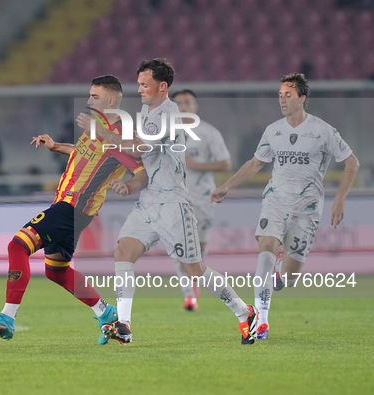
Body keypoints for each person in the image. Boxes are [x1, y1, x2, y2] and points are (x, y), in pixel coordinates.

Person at [0, 75, 147, 345]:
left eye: (95, 96)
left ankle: (7, 318)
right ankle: (106, 313)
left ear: (111, 100)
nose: (89, 100)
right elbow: (84, 153)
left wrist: (127, 183)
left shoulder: (121, 130)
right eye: (89, 95)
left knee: (17, 246)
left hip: (73, 206)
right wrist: (56, 147)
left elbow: (140, 154)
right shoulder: (97, 127)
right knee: (57, 270)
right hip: (71, 208)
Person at [96, 59, 258, 345]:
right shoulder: (147, 110)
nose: (139, 89)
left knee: (194, 269)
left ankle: (245, 312)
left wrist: (108, 138)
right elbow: (145, 163)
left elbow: (142, 148)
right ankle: (124, 324)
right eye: (138, 84)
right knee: (123, 253)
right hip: (149, 201)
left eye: (144, 84)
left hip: (173, 203)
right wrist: (130, 183)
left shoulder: (170, 115)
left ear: (162, 86)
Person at [211, 72, 359, 339]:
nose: (282, 99)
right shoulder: (273, 130)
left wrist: (339, 199)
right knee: (266, 247)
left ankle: (281, 272)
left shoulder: (323, 131)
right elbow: (256, 163)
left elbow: (352, 163)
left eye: (288, 95)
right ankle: (262, 319)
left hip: (307, 208)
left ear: (302, 98)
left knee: (290, 278)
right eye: (279, 95)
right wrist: (227, 186)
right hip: (275, 201)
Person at [172, 89, 232, 311]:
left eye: (187, 102)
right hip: (175, 198)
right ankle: (189, 296)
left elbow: (225, 164)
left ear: (195, 107)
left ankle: (195, 284)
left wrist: (196, 166)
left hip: (203, 198)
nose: (183, 107)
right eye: (178, 103)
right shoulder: (165, 133)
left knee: (199, 248)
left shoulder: (208, 133)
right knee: (180, 247)